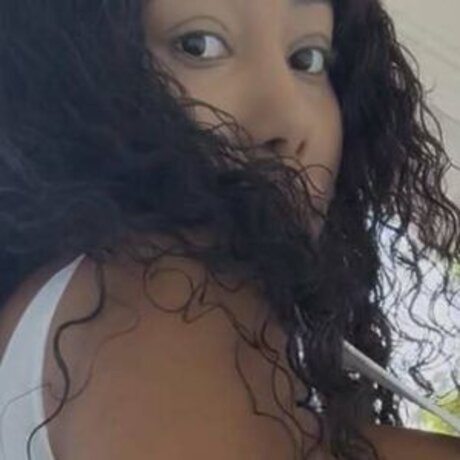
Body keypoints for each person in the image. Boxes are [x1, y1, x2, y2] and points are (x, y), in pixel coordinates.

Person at [0, 0, 459, 459]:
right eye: (198, 46)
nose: (285, 119)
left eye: (307, 59)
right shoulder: (168, 289)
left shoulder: (79, 310)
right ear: (78, 72)